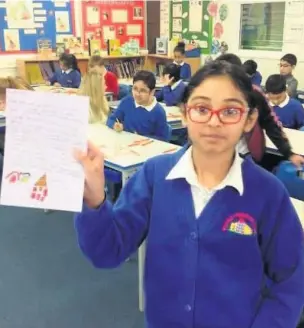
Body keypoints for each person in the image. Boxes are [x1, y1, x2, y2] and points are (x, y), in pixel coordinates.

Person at [74, 60, 304, 328]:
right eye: (201, 108)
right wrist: (94, 202)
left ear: (249, 119)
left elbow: (291, 280)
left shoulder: (267, 192)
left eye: (230, 110)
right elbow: (107, 252)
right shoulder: (155, 176)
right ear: (184, 113)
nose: (214, 122)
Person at [217, 53, 304, 168]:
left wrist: (289, 153)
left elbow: (270, 124)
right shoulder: (209, 95)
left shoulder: (254, 94)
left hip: (245, 155)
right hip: (215, 153)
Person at [107, 70, 169, 141]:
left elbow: (163, 139)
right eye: (135, 89)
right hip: (125, 144)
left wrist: (142, 138)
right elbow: (110, 119)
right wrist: (114, 125)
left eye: (143, 90)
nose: (137, 94)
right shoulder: (127, 101)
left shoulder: (158, 112)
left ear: (152, 92)